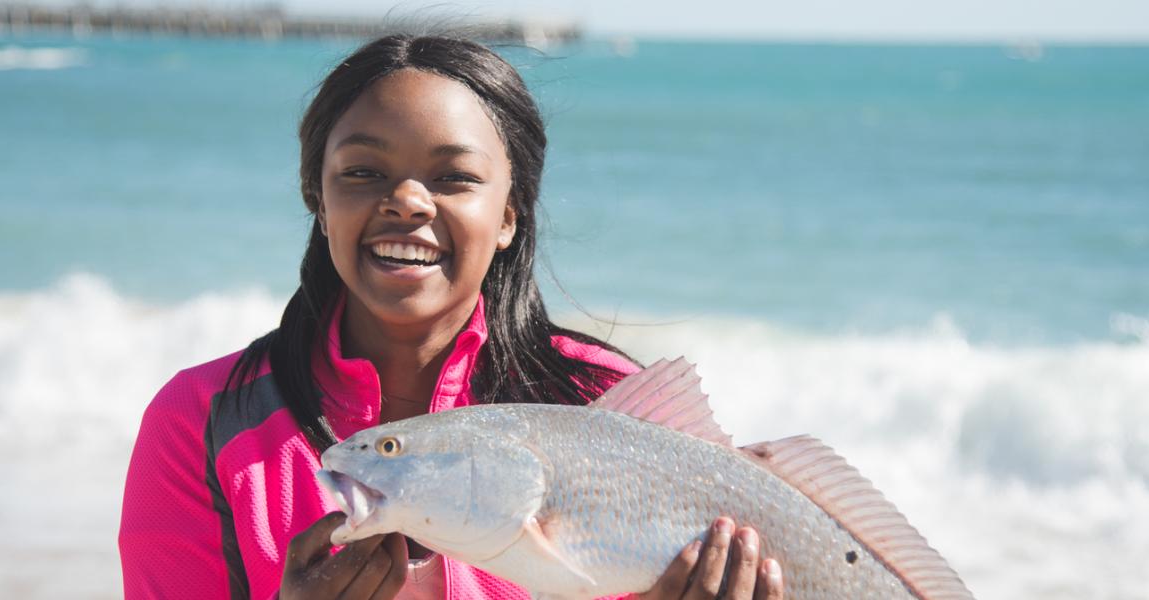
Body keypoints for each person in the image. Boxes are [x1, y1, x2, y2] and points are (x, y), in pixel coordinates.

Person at [118, 34, 785, 600]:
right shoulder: (200, 422)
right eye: (363, 172)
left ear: (508, 214)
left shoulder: (604, 404)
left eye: (454, 178)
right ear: (317, 198)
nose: (407, 201)